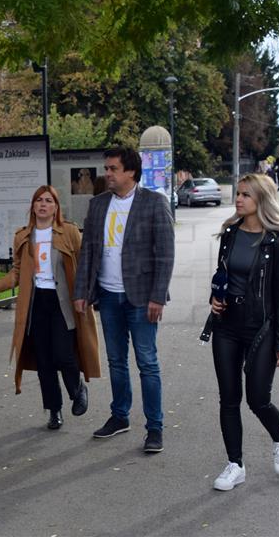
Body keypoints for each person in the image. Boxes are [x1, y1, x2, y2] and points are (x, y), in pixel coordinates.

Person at [73, 147, 175, 453]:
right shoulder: (98, 204)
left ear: (130, 171)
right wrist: (81, 291)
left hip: (142, 297)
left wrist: (158, 296)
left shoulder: (154, 203)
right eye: (107, 168)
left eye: (112, 168)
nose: (107, 173)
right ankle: (120, 416)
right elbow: (87, 251)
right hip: (108, 294)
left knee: (147, 362)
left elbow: (165, 254)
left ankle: (154, 428)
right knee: (116, 361)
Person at [0, 186, 100, 430]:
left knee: (64, 355)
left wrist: (86, 294)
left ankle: (77, 389)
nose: (43, 204)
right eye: (39, 201)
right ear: (33, 206)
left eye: (48, 201)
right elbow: (16, 272)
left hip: (63, 301)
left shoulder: (69, 232)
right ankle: (54, 410)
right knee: (44, 361)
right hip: (36, 303)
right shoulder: (23, 236)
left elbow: (83, 265)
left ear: (56, 207)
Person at [208, 173, 279, 491]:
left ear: (262, 199)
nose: (238, 198)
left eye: (246, 194)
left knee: (258, 399)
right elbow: (222, 276)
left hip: (262, 328)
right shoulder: (230, 233)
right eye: (239, 193)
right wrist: (214, 299)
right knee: (229, 398)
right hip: (227, 325)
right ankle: (235, 464)